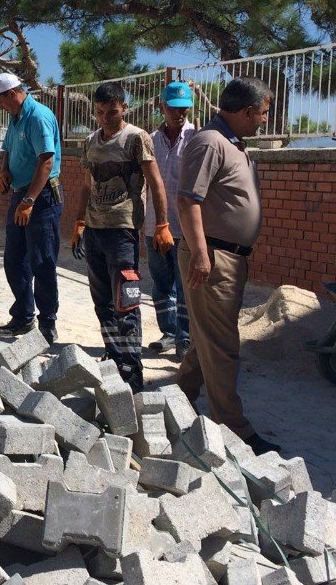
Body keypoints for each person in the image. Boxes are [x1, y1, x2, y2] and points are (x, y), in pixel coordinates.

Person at [175, 76, 281, 455]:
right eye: (263, 113)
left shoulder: (235, 144)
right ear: (247, 110)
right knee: (222, 346)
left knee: (208, 338)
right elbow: (187, 201)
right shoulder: (210, 142)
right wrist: (202, 254)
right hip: (213, 258)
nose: (264, 120)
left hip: (228, 257)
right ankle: (233, 429)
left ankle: (176, 401)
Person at [72, 82, 173, 393]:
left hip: (123, 232)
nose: (106, 118)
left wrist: (162, 225)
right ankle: (113, 357)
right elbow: (87, 186)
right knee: (101, 300)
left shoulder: (135, 138)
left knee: (126, 302)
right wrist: (78, 222)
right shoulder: (89, 141)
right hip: (94, 231)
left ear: (124, 109)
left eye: (112, 112)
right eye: (100, 113)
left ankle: (132, 368)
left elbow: (156, 182)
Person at [0, 72, 63, 344]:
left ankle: (47, 324)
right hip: (20, 195)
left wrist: (29, 201)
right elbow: (8, 150)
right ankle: (23, 316)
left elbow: (46, 160)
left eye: (0, 101)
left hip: (41, 199)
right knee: (14, 259)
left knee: (42, 261)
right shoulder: (16, 118)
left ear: (11, 94)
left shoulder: (38, 117)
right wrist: (4, 172)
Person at [145, 82, 197, 360]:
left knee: (185, 284)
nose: (180, 114)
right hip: (154, 224)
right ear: (162, 107)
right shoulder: (150, 140)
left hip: (185, 227)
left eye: (184, 108)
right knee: (162, 282)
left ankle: (185, 337)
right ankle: (168, 333)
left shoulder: (197, 138)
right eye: (174, 108)